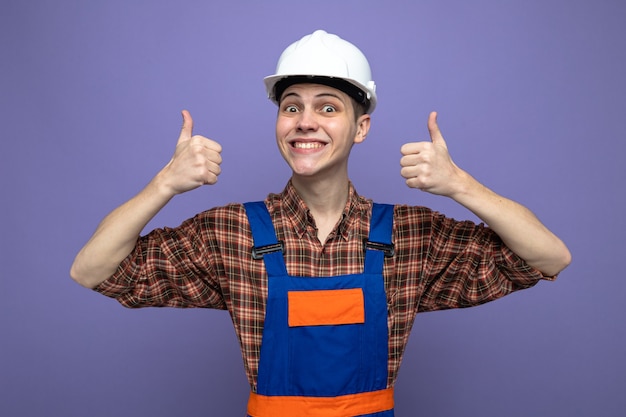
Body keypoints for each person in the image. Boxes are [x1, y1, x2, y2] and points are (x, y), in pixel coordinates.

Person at [71, 30, 571, 417]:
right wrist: (164, 184)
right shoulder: (229, 234)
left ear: (362, 127)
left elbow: (548, 256)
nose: (305, 122)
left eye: (328, 108)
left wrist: (461, 184)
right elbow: (92, 271)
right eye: (292, 107)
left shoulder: (412, 236)